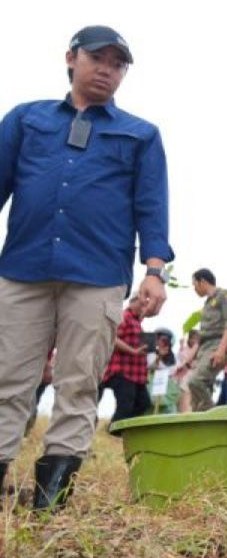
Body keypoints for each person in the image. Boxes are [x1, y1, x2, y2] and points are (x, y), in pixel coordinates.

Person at [0, 25, 172, 509]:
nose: (108, 70)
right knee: (8, 379)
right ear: (71, 58)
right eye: (99, 58)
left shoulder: (140, 135)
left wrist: (154, 269)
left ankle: (49, 503)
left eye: (118, 64)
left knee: (79, 384)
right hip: (23, 268)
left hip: (97, 278)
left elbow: (151, 207)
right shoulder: (26, 120)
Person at [187, 269, 227, 413]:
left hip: (217, 345)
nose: (194, 288)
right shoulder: (207, 304)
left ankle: (212, 416)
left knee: (195, 381)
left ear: (202, 281)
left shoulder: (225, 295)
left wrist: (221, 350)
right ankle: (199, 421)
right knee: (198, 389)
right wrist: (191, 357)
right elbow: (202, 336)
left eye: (194, 284)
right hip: (204, 348)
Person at [99, 295, 151, 426]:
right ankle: (114, 432)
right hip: (123, 370)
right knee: (125, 405)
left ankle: (124, 429)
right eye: (141, 304)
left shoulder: (137, 321)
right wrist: (133, 351)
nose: (143, 308)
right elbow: (112, 338)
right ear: (132, 302)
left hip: (137, 374)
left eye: (145, 305)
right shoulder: (124, 317)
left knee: (144, 403)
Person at [147, 329, 178, 413]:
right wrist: (159, 356)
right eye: (160, 339)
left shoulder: (173, 357)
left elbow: (173, 371)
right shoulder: (151, 353)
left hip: (167, 389)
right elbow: (151, 367)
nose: (162, 342)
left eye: (165, 340)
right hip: (152, 386)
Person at [174, 330, 200, 413]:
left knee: (188, 403)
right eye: (192, 338)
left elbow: (188, 360)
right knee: (180, 403)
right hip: (182, 379)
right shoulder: (186, 349)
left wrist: (184, 365)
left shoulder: (199, 350)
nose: (194, 341)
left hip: (191, 378)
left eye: (196, 339)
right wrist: (181, 345)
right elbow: (181, 357)